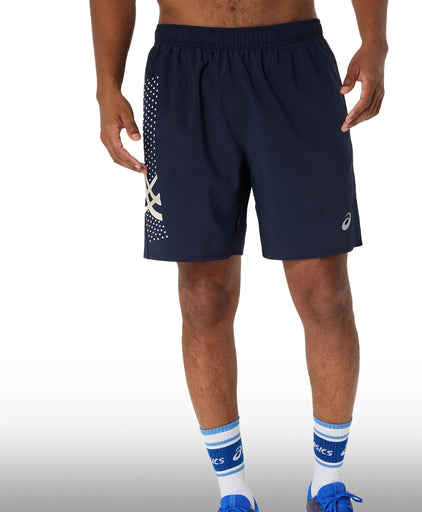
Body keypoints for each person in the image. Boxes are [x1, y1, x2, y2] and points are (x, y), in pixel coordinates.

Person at [90, 1, 387, 511]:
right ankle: (233, 493)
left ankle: (327, 484)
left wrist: (375, 41)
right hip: (184, 70)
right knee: (203, 296)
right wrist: (106, 85)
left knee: (324, 290)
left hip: (295, 60)